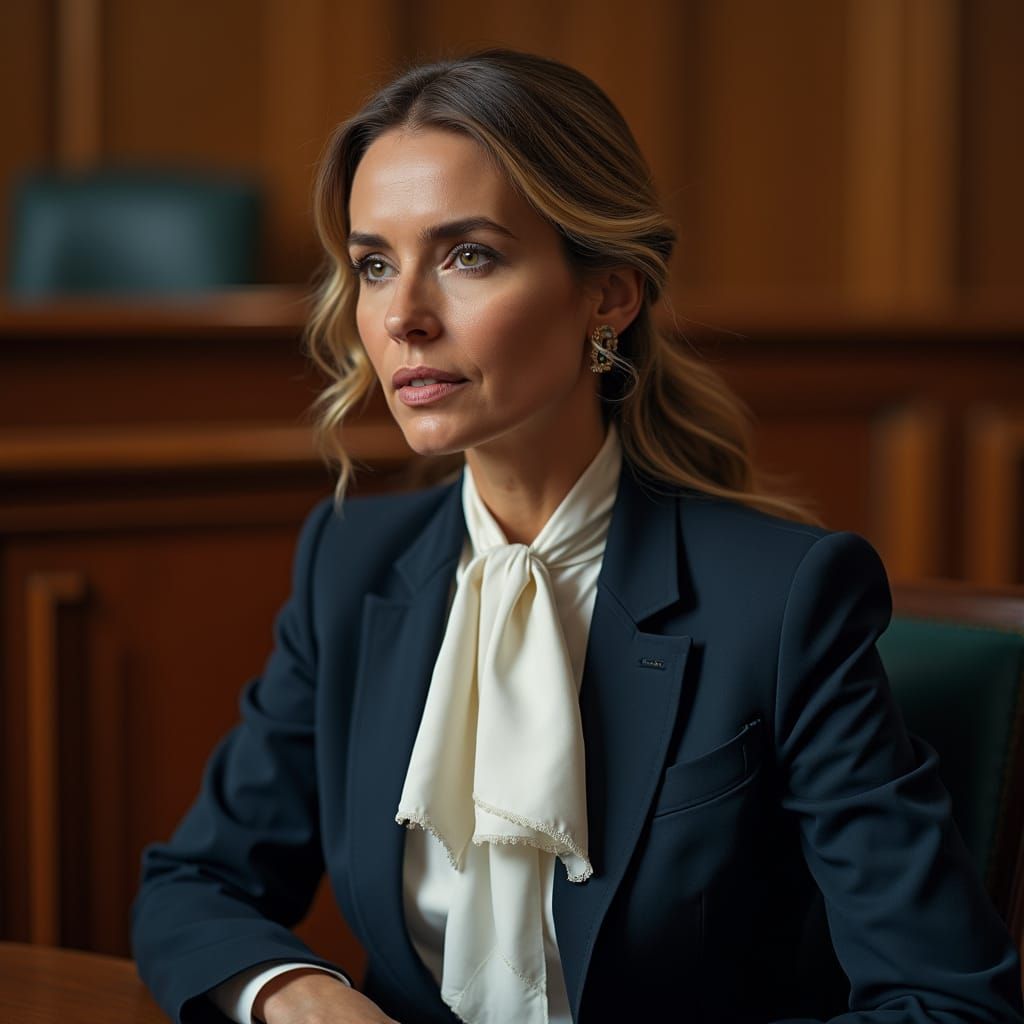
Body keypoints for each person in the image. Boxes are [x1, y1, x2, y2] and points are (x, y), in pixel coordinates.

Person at [131, 49, 1023, 1024]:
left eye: (467, 255)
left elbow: (947, 1002)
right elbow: (194, 883)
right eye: (373, 263)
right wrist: (298, 994)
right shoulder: (351, 563)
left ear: (608, 295)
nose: (402, 316)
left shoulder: (784, 599)